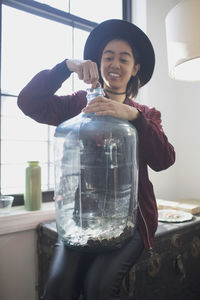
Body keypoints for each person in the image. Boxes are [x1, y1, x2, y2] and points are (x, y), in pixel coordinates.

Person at [18, 19, 175, 300]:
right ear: (99, 63)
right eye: (108, 56)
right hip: (84, 220)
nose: (115, 64)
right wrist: (66, 66)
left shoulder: (146, 114)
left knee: (98, 289)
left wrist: (133, 116)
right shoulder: (80, 105)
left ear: (135, 68)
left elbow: (164, 159)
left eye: (124, 58)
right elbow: (29, 102)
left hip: (132, 223)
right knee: (57, 288)